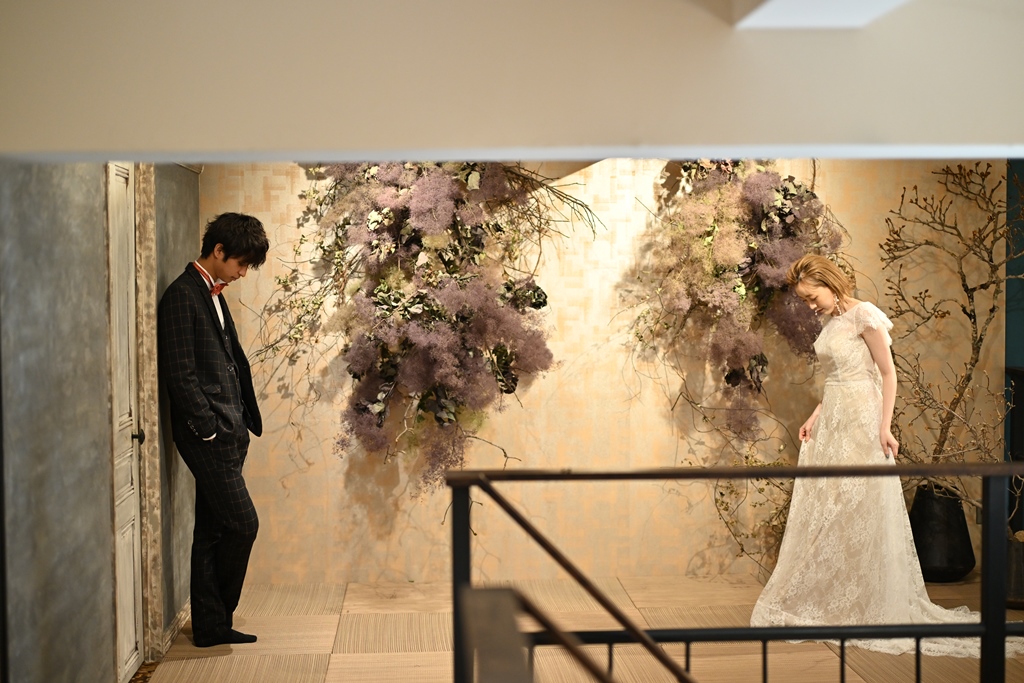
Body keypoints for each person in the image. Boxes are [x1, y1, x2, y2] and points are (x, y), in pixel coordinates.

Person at [749, 253, 986, 657]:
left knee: (862, 504)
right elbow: (837, 378)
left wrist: (884, 426)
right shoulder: (830, 321)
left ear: (829, 283)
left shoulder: (865, 316)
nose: (809, 306)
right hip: (835, 419)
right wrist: (816, 416)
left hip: (862, 419)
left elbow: (886, 373)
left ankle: (870, 601)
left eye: (812, 297)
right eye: (804, 301)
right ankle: (842, 599)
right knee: (834, 507)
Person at [158, 212, 269, 648]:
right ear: (218, 250)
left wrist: (238, 420)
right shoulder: (181, 295)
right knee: (244, 524)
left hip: (229, 428)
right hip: (209, 436)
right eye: (240, 264)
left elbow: (227, 361)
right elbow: (180, 373)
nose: (242, 274)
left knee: (211, 530)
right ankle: (220, 614)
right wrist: (208, 429)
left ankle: (210, 626)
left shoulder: (213, 294)